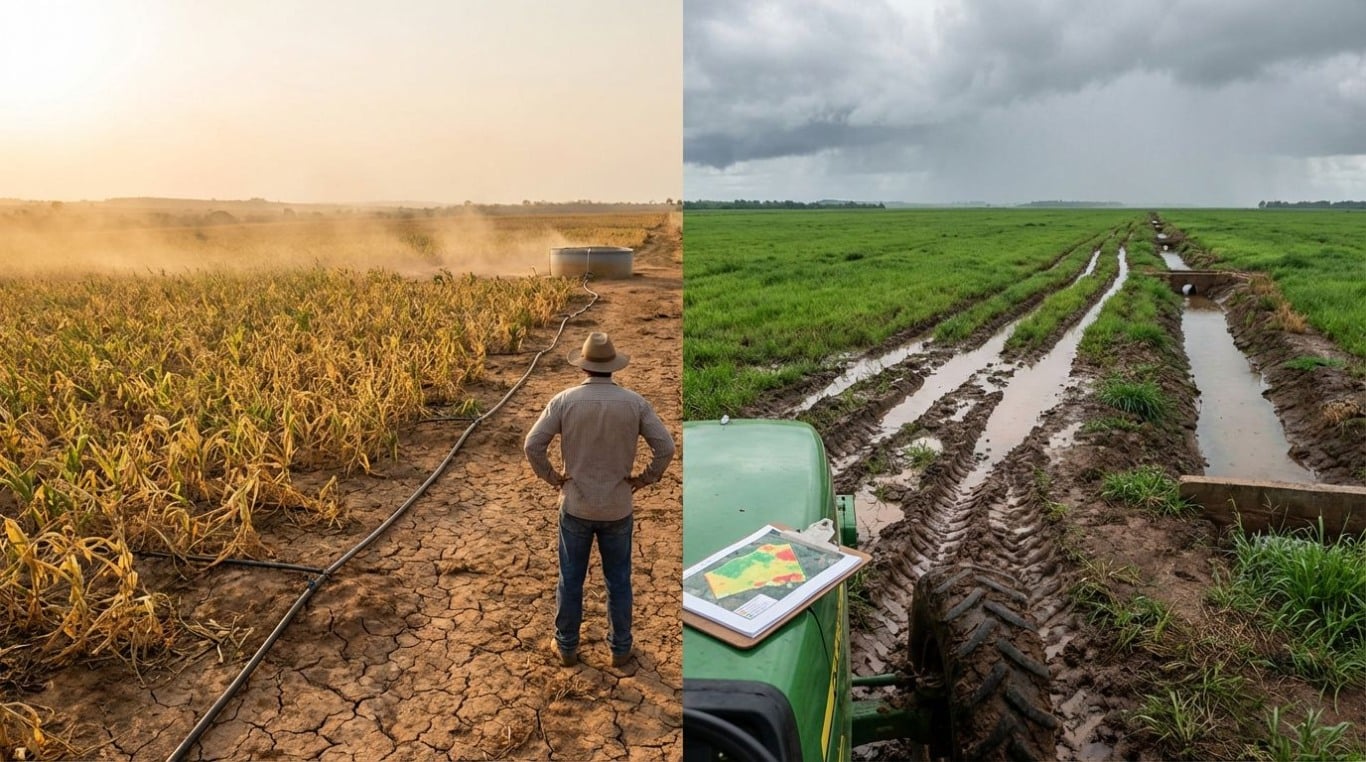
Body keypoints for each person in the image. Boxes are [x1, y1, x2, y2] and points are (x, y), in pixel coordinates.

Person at [524, 332, 675, 668]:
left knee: (571, 577)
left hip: (575, 504)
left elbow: (532, 445)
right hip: (618, 507)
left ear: (584, 367)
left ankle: (566, 647)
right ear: (613, 367)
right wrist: (644, 479)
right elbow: (666, 447)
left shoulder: (564, 400)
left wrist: (553, 478)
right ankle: (620, 649)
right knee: (618, 578)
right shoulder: (635, 403)